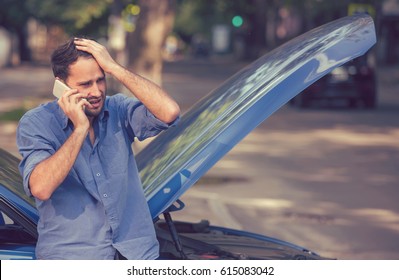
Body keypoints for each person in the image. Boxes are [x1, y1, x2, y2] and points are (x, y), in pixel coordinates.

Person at [16, 38, 180, 259]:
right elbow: (41, 187)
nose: (96, 92)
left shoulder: (118, 108)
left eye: (100, 80)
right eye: (85, 84)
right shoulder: (36, 123)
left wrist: (114, 68)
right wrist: (80, 129)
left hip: (136, 253)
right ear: (61, 85)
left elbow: (169, 112)